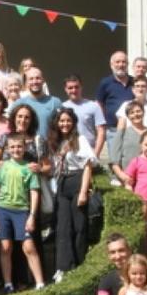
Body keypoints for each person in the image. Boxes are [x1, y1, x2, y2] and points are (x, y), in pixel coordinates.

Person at [0, 134, 46, 293]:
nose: (16, 149)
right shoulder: (2, 167)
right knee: (5, 247)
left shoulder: (30, 168)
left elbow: (34, 192)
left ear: (25, 148)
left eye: (19, 146)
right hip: (3, 210)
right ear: (7, 149)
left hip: (22, 211)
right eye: (12, 147)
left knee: (29, 247)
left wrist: (32, 215)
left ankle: (40, 283)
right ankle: (8, 284)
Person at [49, 108, 95, 281]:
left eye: (68, 120)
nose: (65, 124)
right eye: (62, 121)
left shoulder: (80, 140)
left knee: (79, 226)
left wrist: (83, 192)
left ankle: (79, 264)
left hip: (77, 181)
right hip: (62, 183)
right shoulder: (56, 141)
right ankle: (63, 267)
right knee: (63, 227)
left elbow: (88, 166)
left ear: (74, 122)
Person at [62, 76, 107, 159]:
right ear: (65, 89)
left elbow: (101, 131)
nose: (74, 90)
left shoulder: (93, 106)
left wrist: (96, 153)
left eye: (76, 87)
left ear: (81, 87)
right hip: (67, 152)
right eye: (70, 88)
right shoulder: (61, 107)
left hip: (89, 151)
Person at [94, 50, 133, 129]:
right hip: (111, 128)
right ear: (111, 65)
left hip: (131, 127)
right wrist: (102, 124)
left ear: (127, 64)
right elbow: (99, 104)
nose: (121, 65)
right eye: (117, 62)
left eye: (123, 62)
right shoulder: (105, 82)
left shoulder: (134, 82)